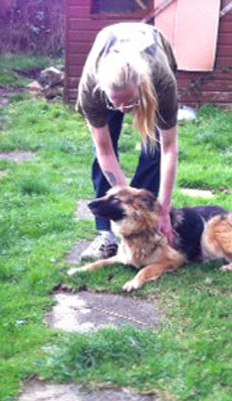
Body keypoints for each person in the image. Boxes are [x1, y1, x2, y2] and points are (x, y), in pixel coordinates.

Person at [75, 22, 179, 260]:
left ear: (141, 88)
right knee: (104, 148)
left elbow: (170, 149)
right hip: (108, 69)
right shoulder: (92, 87)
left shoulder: (160, 82)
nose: (123, 109)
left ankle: (146, 221)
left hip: (153, 62)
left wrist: (163, 211)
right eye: (116, 103)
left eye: (129, 102)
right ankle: (106, 234)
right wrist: (121, 197)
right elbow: (105, 150)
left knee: (153, 149)